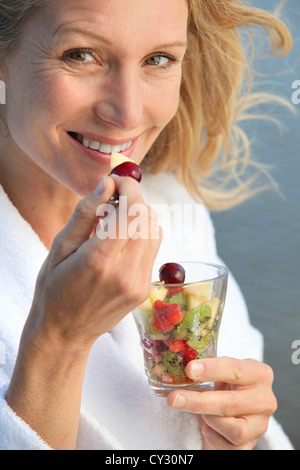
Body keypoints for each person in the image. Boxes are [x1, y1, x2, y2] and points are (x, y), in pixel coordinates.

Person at [0, 0, 294, 451]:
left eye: (158, 59)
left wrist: (238, 437)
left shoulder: (175, 204)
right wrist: (58, 339)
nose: (130, 115)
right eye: (81, 54)